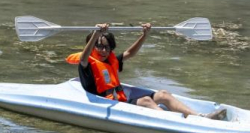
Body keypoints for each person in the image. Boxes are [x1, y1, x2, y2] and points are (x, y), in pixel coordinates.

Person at [65, 23, 226, 120]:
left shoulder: (110, 60)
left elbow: (130, 53)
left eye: (107, 47)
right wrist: (96, 34)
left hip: (119, 100)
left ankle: (199, 117)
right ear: (92, 47)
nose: (103, 50)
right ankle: (178, 123)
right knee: (147, 102)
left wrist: (144, 35)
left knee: (163, 94)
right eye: (99, 46)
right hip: (106, 104)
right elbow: (84, 56)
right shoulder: (86, 63)